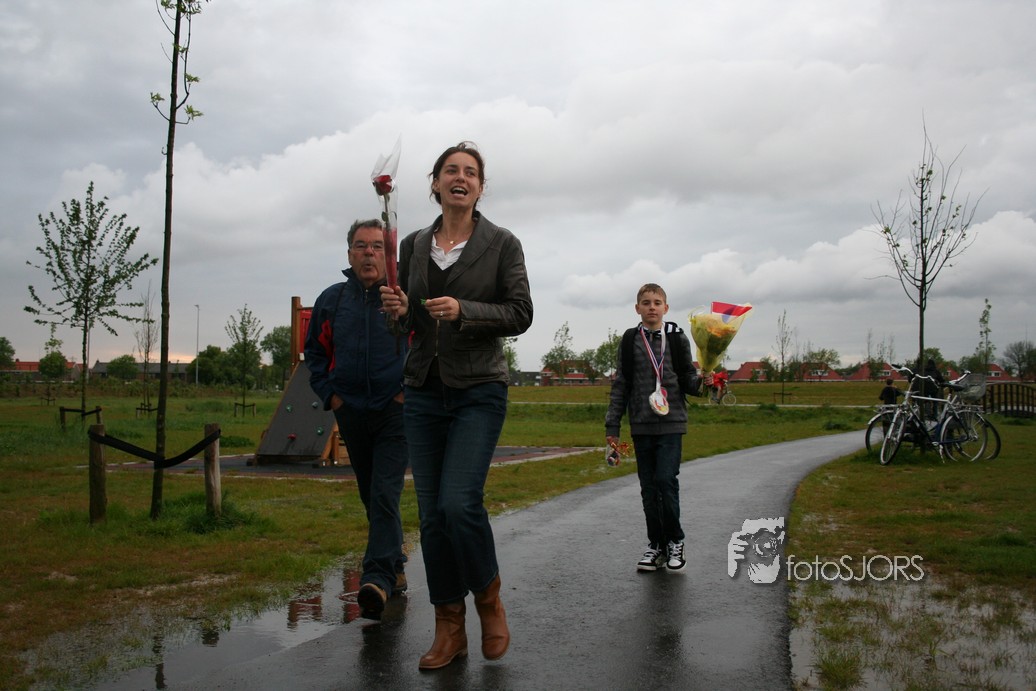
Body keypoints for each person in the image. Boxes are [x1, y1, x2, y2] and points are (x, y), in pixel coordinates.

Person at [380, 142, 533, 671]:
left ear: (481, 187)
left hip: (478, 388)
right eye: (451, 170)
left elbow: (520, 312)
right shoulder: (415, 244)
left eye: (470, 172)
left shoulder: (502, 243)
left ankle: (489, 600)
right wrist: (399, 310)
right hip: (423, 389)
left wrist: (464, 310)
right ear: (436, 183)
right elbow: (408, 324)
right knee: (431, 517)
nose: (460, 178)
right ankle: (449, 626)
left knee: (457, 504)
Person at [305, 218, 408, 621]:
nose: (369, 253)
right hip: (351, 410)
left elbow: (424, 348)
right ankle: (395, 565)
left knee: (384, 492)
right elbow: (315, 355)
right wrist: (332, 396)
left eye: (377, 246)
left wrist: (405, 393)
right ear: (349, 253)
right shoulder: (332, 301)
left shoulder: (401, 298)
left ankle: (376, 580)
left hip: (394, 411)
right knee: (370, 493)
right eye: (361, 246)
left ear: (389, 255)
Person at [605, 283, 708, 573]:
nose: (652, 307)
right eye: (646, 302)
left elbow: (688, 378)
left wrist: (705, 382)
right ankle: (656, 546)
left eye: (657, 302)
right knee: (649, 488)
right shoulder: (630, 340)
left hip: (671, 422)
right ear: (637, 308)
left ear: (666, 308)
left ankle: (675, 541)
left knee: (665, 480)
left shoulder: (676, 337)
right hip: (641, 424)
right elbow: (621, 384)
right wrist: (613, 425)